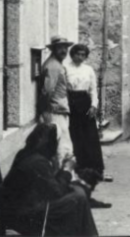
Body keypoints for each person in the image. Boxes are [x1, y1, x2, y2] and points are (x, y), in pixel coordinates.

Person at [0, 123, 99, 236]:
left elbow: (48, 185)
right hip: (22, 215)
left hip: (21, 209)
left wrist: (58, 168)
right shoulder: (37, 162)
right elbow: (56, 192)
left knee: (77, 192)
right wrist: (66, 170)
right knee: (78, 197)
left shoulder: (27, 153)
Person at [65, 44, 112, 190]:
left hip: (85, 103)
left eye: (83, 55)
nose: (80, 57)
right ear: (72, 55)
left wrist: (93, 106)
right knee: (75, 135)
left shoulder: (88, 69)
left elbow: (93, 90)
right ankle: (78, 169)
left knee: (90, 136)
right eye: (77, 54)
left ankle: (95, 171)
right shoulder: (65, 68)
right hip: (71, 103)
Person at [40, 36, 75, 165]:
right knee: (62, 147)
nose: (64, 50)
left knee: (62, 146)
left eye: (66, 47)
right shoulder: (53, 65)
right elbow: (47, 90)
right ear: (53, 49)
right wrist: (46, 110)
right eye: (60, 47)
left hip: (60, 109)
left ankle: (60, 176)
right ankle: (59, 179)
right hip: (55, 111)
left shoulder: (57, 64)